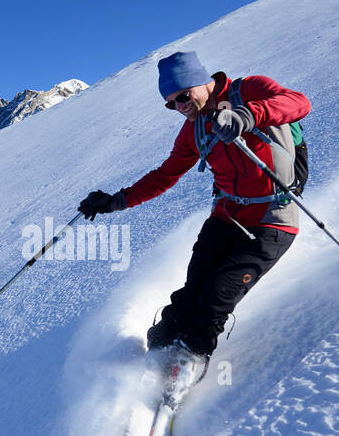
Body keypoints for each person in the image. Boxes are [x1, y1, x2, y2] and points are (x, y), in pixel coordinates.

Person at [79, 50, 310, 371]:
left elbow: (299, 102)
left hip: (273, 218)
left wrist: (247, 116)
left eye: (183, 96)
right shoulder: (194, 129)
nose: (179, 107)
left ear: (203, 83)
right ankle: (162, 343)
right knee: (191, 294)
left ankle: (187, 365)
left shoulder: (250, 89)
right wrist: (114, 201)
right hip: (226, 217)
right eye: (171, 103)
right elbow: (165, 175)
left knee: (217, 295)